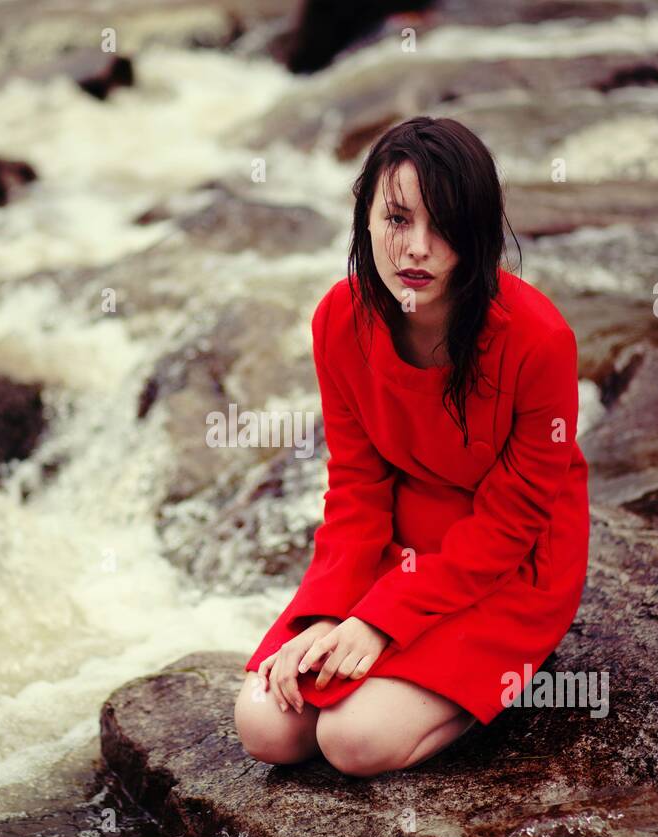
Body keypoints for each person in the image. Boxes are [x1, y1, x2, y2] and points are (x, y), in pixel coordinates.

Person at [233, 116, 590, 778]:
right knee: (264, 723)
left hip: (511, 562)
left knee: (353, 740)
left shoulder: (540, 341)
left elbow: (513, 524)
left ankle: (487, 692)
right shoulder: (339, 320)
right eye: (398, 219)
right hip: (397, 549)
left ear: (477, 233)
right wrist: (328, 612)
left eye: (445, 225)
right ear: (364, 214)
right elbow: (355, 490)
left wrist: (379, 623)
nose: (418, 248)